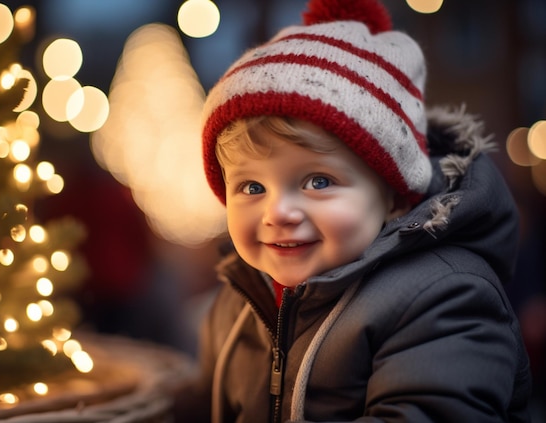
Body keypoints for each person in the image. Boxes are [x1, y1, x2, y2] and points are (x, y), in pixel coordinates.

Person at [171, 0, 532, 421]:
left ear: (395, 196)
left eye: (318, 182)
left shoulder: (445, 298)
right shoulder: (240, 299)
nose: (278, 212)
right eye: (252, 186)